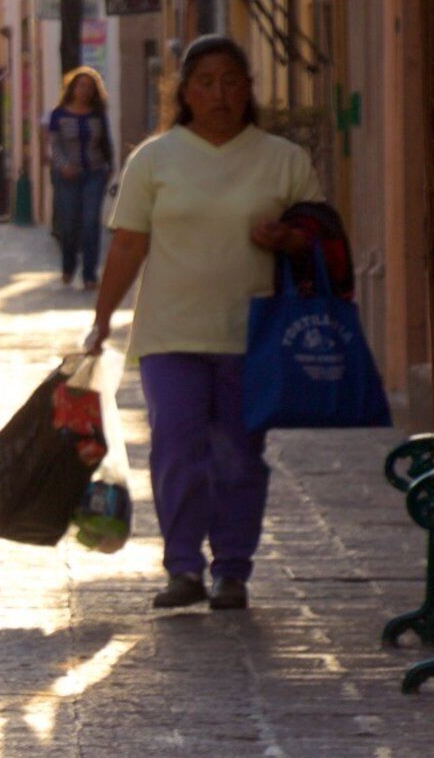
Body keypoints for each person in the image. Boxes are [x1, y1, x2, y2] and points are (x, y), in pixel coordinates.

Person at [83, 37, 317, 611]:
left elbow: (321, 241)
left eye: (232, 81)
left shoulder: (284, 160)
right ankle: (183, 566)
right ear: (185, 92)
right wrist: (102, 319)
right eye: (206, 82)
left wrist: (288, 238)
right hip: (171, 334)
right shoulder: (155, 159)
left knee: (239, 455)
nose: (220, 93)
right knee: (176, 448)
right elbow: (129, 243)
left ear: (249, 89)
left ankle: (232, 570)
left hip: (252, 336)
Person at [42, 66, 115, 285]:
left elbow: (105, 142)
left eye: (90, 87)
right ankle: (68, 264)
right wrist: (64, 166)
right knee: (69, 223)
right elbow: (54, 146)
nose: (85, 91)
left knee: (91, 222)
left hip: (94, 173)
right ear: (73, 88)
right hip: (67, 176)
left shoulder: (98, 115)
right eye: (82, 86)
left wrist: (110, 166)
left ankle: (90, 274)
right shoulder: (59, 114)